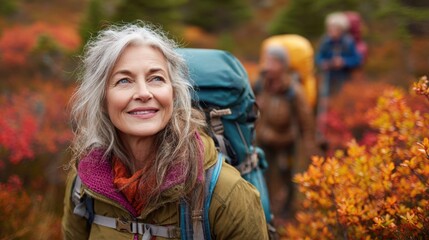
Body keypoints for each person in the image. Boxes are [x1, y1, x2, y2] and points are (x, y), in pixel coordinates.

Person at [62, 23, 268, 240]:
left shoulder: (226, 193)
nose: (143, 93)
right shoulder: (84, 182)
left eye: (156, 78)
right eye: (124, 80)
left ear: (174, 93)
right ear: (102, 99)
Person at [254, 45, 316, 220]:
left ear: (282, 65)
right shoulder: (260, 84)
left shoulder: (294, 90)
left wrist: (309, 144)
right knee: (264, 175)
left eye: (272, 62)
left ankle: (289, 212)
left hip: (287, 143)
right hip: (263, 140)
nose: (267, 66)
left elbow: (306, 119)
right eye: (266, 61)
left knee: (288, 176)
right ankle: (268, 210)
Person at [316, 12, 362, 97]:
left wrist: (343, 62)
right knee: (326, 100)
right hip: (328, 78)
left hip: (345, 78)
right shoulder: (325, 42)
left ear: (341, 29)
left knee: (342, 100)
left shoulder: (348, 42)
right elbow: (319, 56)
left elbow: (357, 59)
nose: (331, 30)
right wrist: (323, 63)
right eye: (329, 27)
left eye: (334, 28)